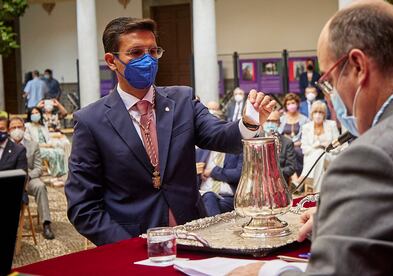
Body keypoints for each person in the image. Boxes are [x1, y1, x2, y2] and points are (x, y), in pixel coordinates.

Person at [230, 0, 393, 274]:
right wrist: (352, 218)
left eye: (327, 82)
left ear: (358, 67)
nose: (329, 99)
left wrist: (264, 272)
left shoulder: (372, 158)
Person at [64, 17, 276, 246]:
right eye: (135, 53)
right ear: (112, 61)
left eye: (153, 51)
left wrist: (249, 122)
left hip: (194, 238)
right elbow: (83, 207)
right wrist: (127, 247)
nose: (147, 59)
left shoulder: (182, 100)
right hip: (134, 247)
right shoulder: (91, 121)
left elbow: (220, 136)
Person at [9, 117, 55, 240]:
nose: (17, 129)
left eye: (19, 126)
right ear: (9, 130)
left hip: (29, 178)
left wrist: (27, 176)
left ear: (24, 128)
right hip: (9, 177)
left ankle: (46, 224)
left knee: (40, 186)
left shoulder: (33, 145)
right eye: (13, 127)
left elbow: (38, 168)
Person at [300, 101, 339, 192]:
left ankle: (301, 178)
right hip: (312, 158)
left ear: (324, 114)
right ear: (312, 114)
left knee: (321, 152)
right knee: (319, 153)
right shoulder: (306, 127)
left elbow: (339, 146)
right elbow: (304, 149)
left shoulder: (331, 125)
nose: (318, 115)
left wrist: (328, 147)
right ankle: (319, 193)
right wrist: (317, 146)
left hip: (330, 156)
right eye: (315, 112)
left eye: (320, 112)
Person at [25, 107, 67, 185]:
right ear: (29, 115)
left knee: (60, 151)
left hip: (47, 146)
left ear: (40, 114)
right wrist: (44, 145)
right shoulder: (27, 126)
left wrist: (50, 144)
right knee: (52, 153)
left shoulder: (43, 126)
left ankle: (59, 176)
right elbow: (29, 142)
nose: (35, 115)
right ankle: (54, 176)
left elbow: (48, 139)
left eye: (36, 113)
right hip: (36, 149)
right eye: (32, 113)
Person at [278, 93, 308, 176]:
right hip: (284, 146)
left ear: (297, 104)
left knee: (296, 151)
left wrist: (294, 144)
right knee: (287, 152)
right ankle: (293, 179)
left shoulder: (305, 119)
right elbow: (279, 134)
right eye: (288, 104)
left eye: (293, 103)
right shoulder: (281, 119)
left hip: (299, 146)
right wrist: (288, 143)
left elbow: (307, 136)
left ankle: (299, 177)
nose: (291, 105)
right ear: (285, 106)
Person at [262, 110, 296, 183]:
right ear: (263, 122)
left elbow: (291, 167)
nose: (270, 123)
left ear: (279, 123)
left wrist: (274, 173)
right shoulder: (256, 140)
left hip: (279, 182)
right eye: (267, 120)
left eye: (274, 121)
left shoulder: (287, 143)